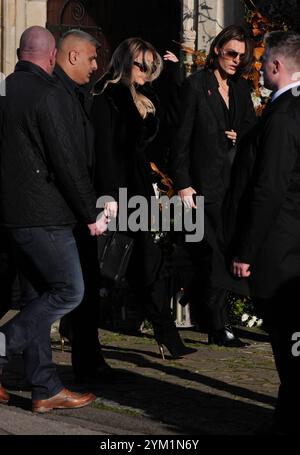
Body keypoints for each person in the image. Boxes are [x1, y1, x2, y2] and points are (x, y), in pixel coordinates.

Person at [0, 26, 105, 412]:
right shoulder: (48, 94)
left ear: (18, 53)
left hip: (11, 217)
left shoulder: (3, 89)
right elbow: (67, 161)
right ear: (50, 57)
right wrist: (91, 212)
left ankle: (45, 386)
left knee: (36, 299)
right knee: (69, 291)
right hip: (45, 216)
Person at [92, 37, 196, 359]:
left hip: (142, 190)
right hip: (119, 192)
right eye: (141, 65)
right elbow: (105, 150)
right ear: (125, 62)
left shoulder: (148, 96)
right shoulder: (108, 96)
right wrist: (109, 195)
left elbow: (173, 129)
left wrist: (175, 75)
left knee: (144, 263)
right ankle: (163, 333)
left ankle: (163, 333)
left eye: (152, 66)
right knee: (116, 263)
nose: (146, 71)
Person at [227, 31, 300, 434]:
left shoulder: (286, 114)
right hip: (291, 244)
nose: (257, 69)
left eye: (262, 62)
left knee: (289, 344)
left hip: (282, 248)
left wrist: (246, 250)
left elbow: (269, 187)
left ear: (276, 66)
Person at [170, 25, 256, 346]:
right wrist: (182, 183)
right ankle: (214, 323)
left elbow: (253, 131)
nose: (236, 60)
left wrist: (241, 136)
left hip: (232, 186)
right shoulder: (196, 86)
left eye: (241, 56)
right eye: (231, 53)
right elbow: (180, 140)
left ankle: (215, 322)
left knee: (223, 254)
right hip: (201, 187)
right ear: (217, 50)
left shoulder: (241, 89)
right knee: (209, 254)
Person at [53, 29, 114, 384]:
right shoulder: (56, 95)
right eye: (92, 58)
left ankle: (88, 359)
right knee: (60, 292)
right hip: (64, 212)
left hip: (80, 207)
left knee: (85, 288)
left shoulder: (80, 95)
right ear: (72, 56)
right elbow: (67, 161)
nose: (96, 65)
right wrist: (90, 210)